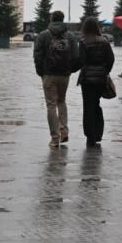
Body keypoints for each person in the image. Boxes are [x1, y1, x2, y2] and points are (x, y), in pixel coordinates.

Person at [33, 10, 78, 147]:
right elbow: (76, 56)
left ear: (52, 19)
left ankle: (55, 138)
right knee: (62, 101)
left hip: (49, 75)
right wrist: (70, 70)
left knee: (51, 104)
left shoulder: (44, 35)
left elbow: (37, 56)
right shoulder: (70, 36)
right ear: (63, 19)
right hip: (64, 75)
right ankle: (64, 131)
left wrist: (41, 72)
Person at [76, 16, 115, 147]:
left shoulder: (83, 41)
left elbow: (81, 61)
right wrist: (105, 71)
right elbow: (110, 59)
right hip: (100, 79)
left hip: (87, 80)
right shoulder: (104, 41)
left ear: (85, 28)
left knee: (88, 107)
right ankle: (98, 133)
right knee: (96, 105)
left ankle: (90, 137)